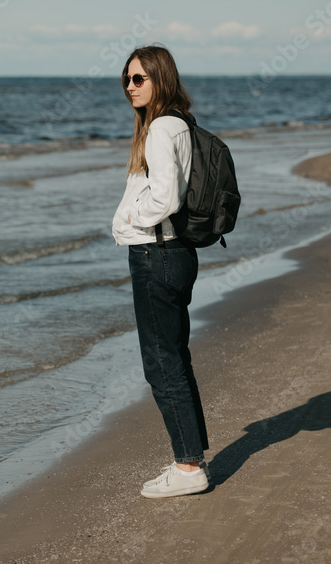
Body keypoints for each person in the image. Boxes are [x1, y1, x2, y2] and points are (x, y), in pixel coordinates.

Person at [112, 45, 211, 498]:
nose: (131, 87)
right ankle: (191, 458)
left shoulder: (159, 130)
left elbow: (166, 198)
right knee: (174, 359)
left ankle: (188, 468)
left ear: (160, 78)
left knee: (162, 363)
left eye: (139, 79)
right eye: (127, 80)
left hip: (157, 255)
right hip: (176, 253)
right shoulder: (179, 125)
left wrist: (130, 220)